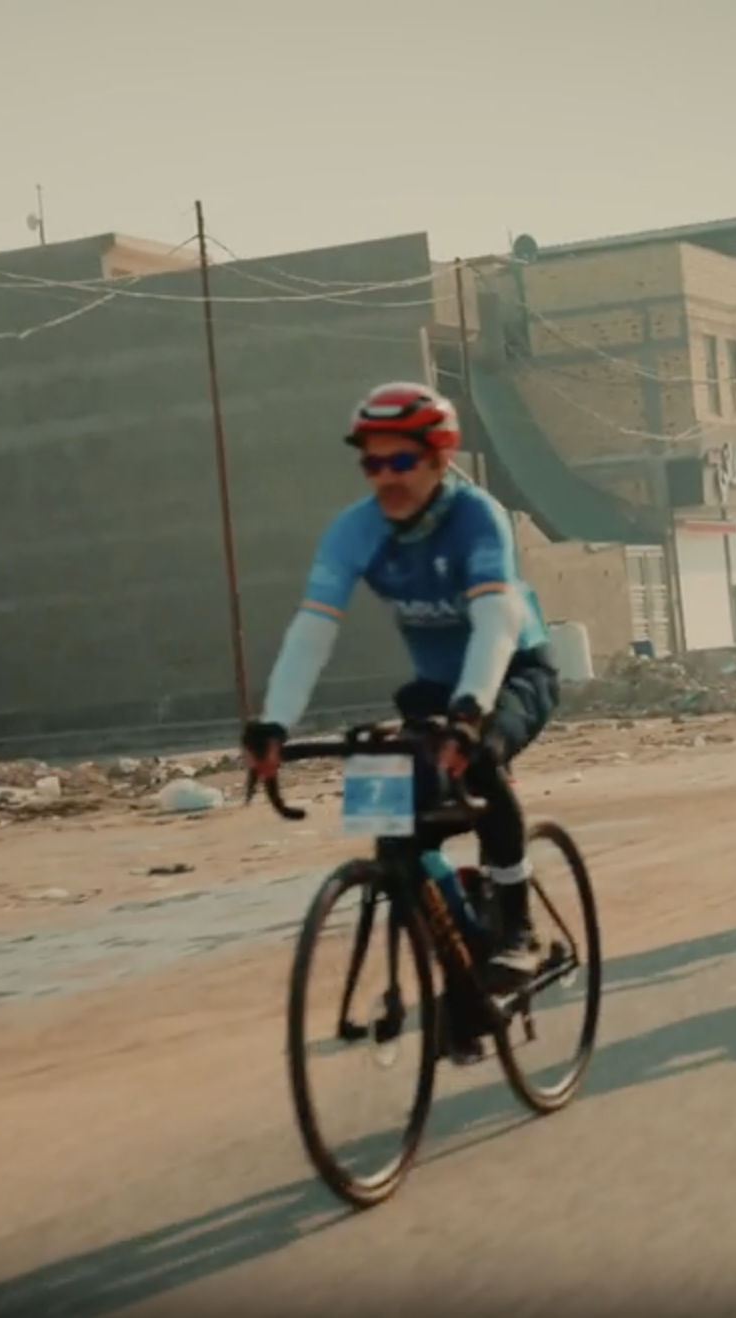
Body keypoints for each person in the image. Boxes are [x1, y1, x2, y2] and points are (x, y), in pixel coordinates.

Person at [239, 383, 559, 987]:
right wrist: (275, 723)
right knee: (388, 825)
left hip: (513, 671)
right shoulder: (355, 530)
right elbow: (312, 631)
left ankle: (517, 928)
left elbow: (495, 622)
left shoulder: (477, 517)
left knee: (481, 760)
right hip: (436, 687)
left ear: (440, 460)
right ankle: (459, 974)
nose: (385, 477)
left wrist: (469, 715)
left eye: (402, 461)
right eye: (372, 463)